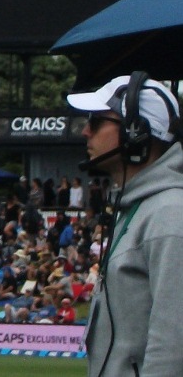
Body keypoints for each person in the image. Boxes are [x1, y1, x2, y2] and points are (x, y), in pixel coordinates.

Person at [67, 72, 183, 376]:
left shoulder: (170, 214)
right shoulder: (140, 209)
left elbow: (172, 348)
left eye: (96, 121)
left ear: (136, 131)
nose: (86, 132)